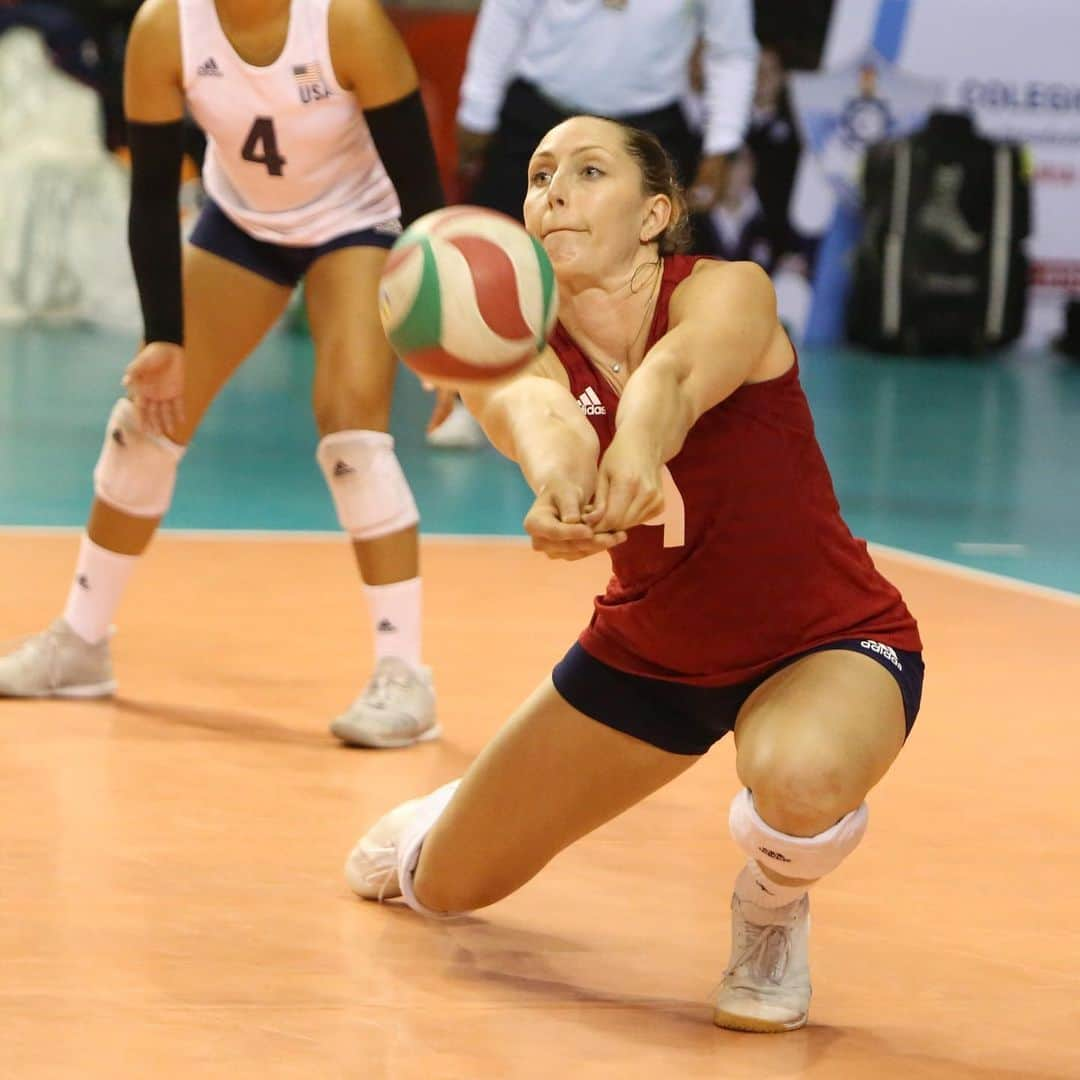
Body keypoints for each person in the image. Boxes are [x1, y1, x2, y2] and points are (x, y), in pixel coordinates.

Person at [343, 116, 925, 1033]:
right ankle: (449, 816)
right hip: (651, 650)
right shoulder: (514, 345)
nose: (554, 191)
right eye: (539, 177)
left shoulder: (729, 290)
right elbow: (541, 419)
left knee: (799, 777)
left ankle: (771, 909)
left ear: (655, 213)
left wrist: (642, 449)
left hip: (825, 640)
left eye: (587, 171)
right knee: (440, 890)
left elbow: (676, 379)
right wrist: (561, 491)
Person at [0, 0, 451, 749]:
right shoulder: (163, 27)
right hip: (243, 225)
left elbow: (422, 194)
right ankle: (80, 643)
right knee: (144, 422)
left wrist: (441, 339)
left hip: (355, 224)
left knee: (353, 435)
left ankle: (405, 676)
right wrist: (164, 338)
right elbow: (149, 195)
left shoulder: (346, 23)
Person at [454, 0, 758, 227]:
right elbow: (507, 14)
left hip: (648, 135)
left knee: (644, 284)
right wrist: (478, 110)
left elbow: (730, 52)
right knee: (500, 260)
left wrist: (721, 146)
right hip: (537, 120)